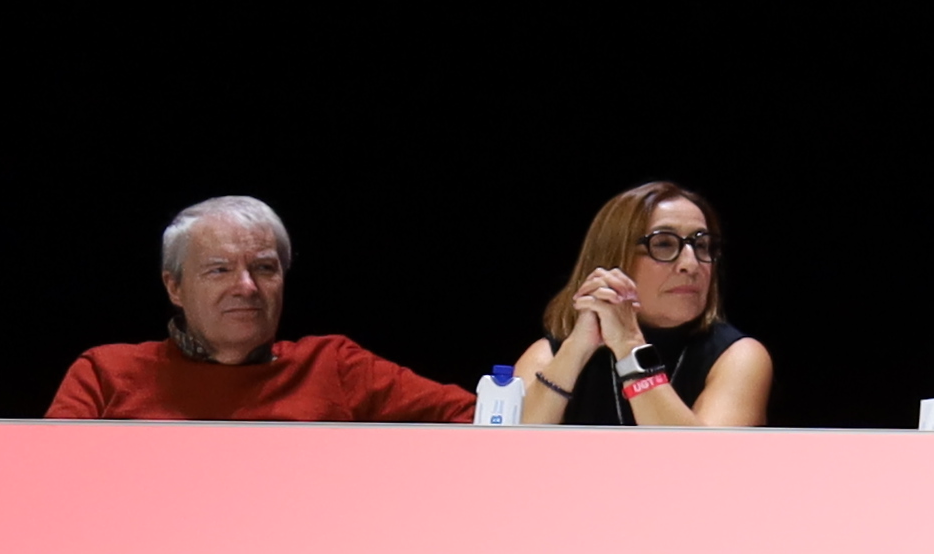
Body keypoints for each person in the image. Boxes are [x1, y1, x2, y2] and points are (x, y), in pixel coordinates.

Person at [51, 195, 474, 422]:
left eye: (264, 268)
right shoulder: (105, 374)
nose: (246, 287)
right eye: (219, 269)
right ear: (174, 286)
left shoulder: (335, 367)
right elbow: (43, 474)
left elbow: (481, 423)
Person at [514, 183, 774, 429]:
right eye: (663, 244)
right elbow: (510, 450)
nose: (691, 264)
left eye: (701, 245)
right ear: (614, 258)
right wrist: (575, 350)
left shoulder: (740, 357)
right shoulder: (546, 355)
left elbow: (699, 461)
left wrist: (629, 346)